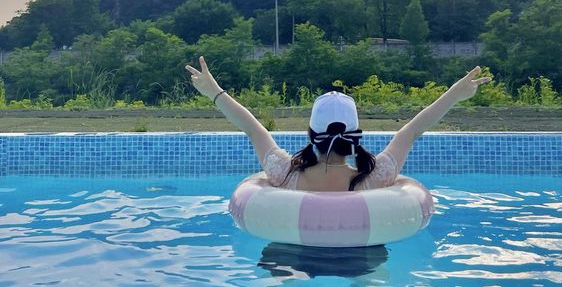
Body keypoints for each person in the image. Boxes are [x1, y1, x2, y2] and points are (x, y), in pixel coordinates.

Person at [185, 57, 491, 192]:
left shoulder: (283, 173)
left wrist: (214, 91)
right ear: (356, 138)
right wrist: (455, 93)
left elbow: (253, 128)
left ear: (311, 135)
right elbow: (412, 129)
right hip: (360, 253)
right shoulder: (378, 177)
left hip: (294, 250)